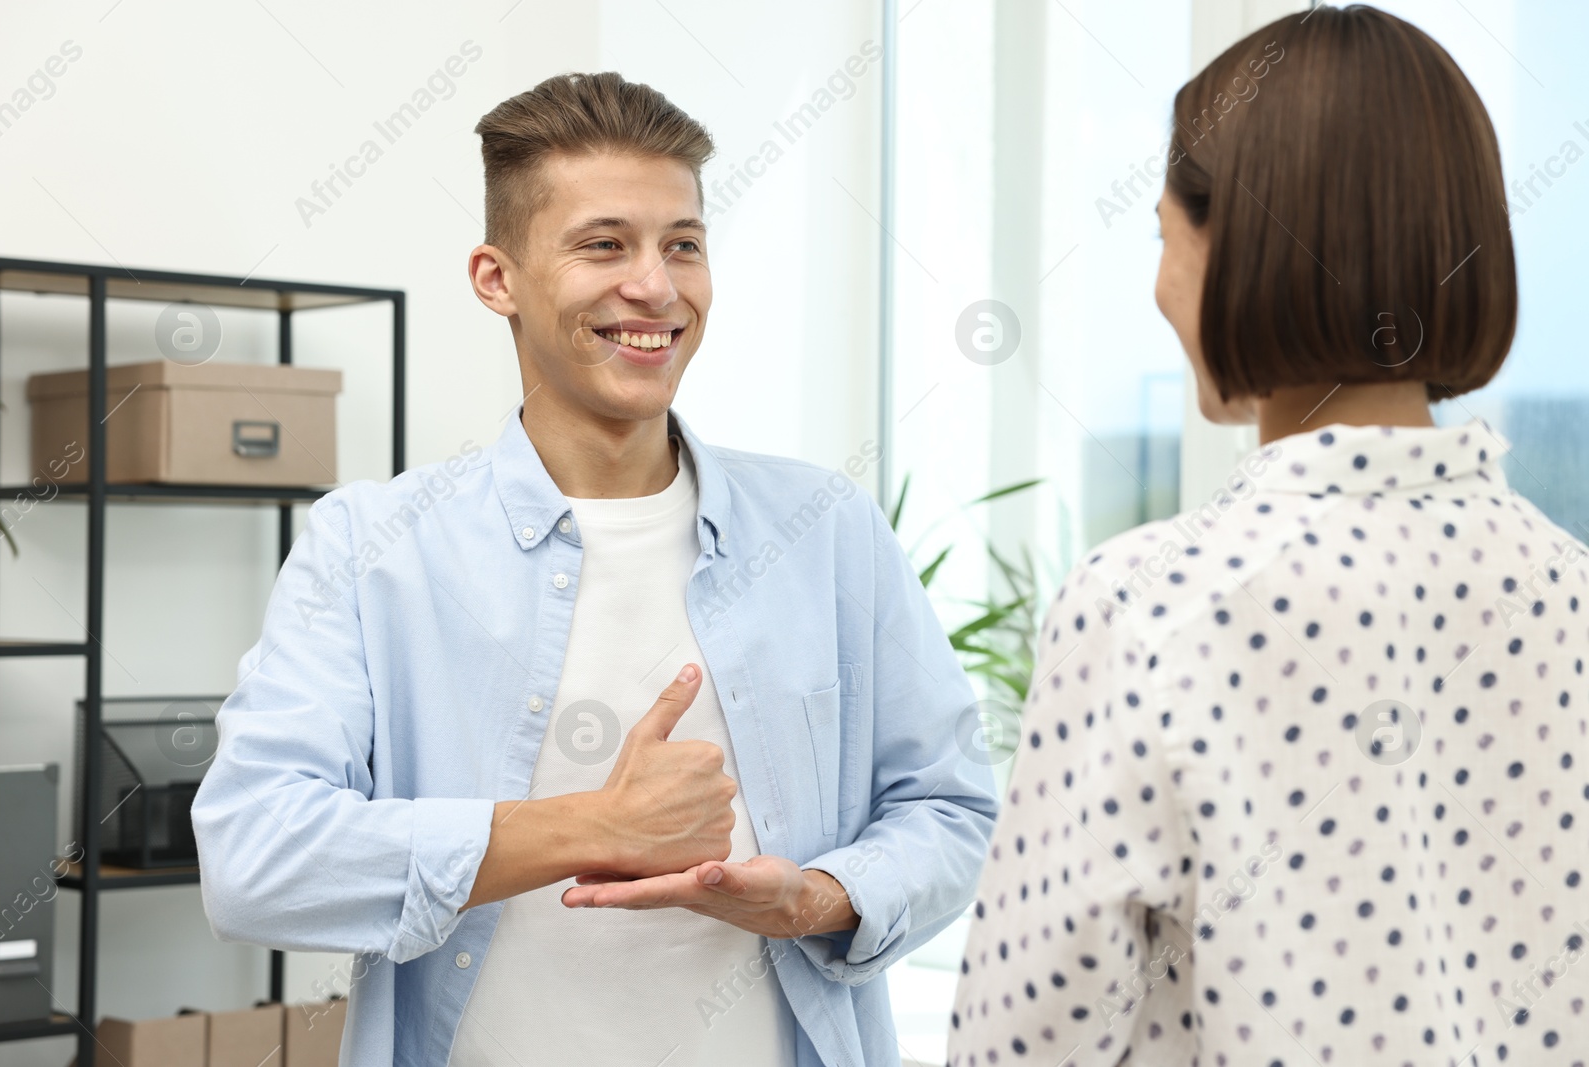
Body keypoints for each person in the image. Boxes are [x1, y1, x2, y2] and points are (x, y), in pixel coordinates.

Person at [191, 72, 997, 1067]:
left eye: (683, 245)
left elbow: (950, 807)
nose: (655, 286)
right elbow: (253, 856)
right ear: (497, 279)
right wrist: (591, 823)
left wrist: (818, 898)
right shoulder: (372, 544)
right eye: (603, 244)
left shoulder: (826, 531)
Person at [952, 6, 1587, 1065]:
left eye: (1164, 235)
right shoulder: (1571, 593)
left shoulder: (1149, 604)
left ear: (1238, 249)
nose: (1157, 284)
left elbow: (1029, 1035)